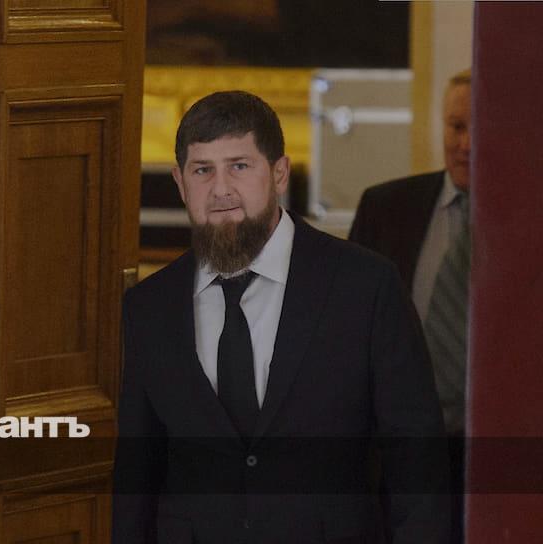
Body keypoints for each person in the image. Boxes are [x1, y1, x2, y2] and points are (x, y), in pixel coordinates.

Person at [112, 91, 449, 542]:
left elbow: (416, 458)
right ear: (180, 181)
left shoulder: (365, 286)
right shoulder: (149, 307)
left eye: (239, 166)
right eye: (202, 170)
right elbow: (137, 476)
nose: (221, 189)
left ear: (279, 173)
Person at [349, 68, 471, 542]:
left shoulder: (530, 221)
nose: (466, 144)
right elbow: (346, 336)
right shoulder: (386, 208)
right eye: (456, 127)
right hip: (397, 459)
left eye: (480, 129)